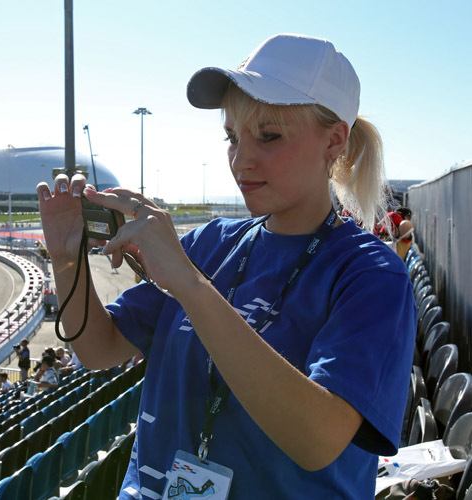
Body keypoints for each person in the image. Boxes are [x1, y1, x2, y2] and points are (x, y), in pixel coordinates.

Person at [36, 33, 415, 499]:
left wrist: (190, 285)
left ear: (334, 140)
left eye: (269, 135)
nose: (241, 158)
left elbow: (317, 439)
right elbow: (98, 349)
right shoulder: (211, 242)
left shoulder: (372, 275)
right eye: (232, 137)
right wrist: (66, 258)